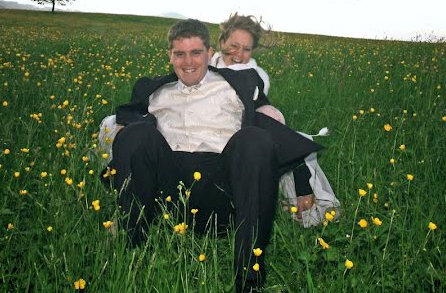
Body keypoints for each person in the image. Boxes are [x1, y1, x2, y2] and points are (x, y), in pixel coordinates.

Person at [110, 19, 321, 293]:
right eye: (180, 54)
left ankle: (249, 281)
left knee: (254, 139)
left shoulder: (237, 84)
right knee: (133, 134)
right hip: (170, 195)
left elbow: (273, 127)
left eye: (196, 52)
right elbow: (124, 127)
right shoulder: (154, 90)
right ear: (170, 55)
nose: (188, 62)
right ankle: (132, 245)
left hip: (223, 191)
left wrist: (303, 181)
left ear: (210, 53)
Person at [211, 14, 339, 226]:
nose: (239, 55)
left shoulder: (253, 77)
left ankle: (301, 188)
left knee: (273, 121)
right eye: (233, 46)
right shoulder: (202, 67)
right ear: (222, 41)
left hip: (235, 142)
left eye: (246, 49)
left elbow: (266, 120)